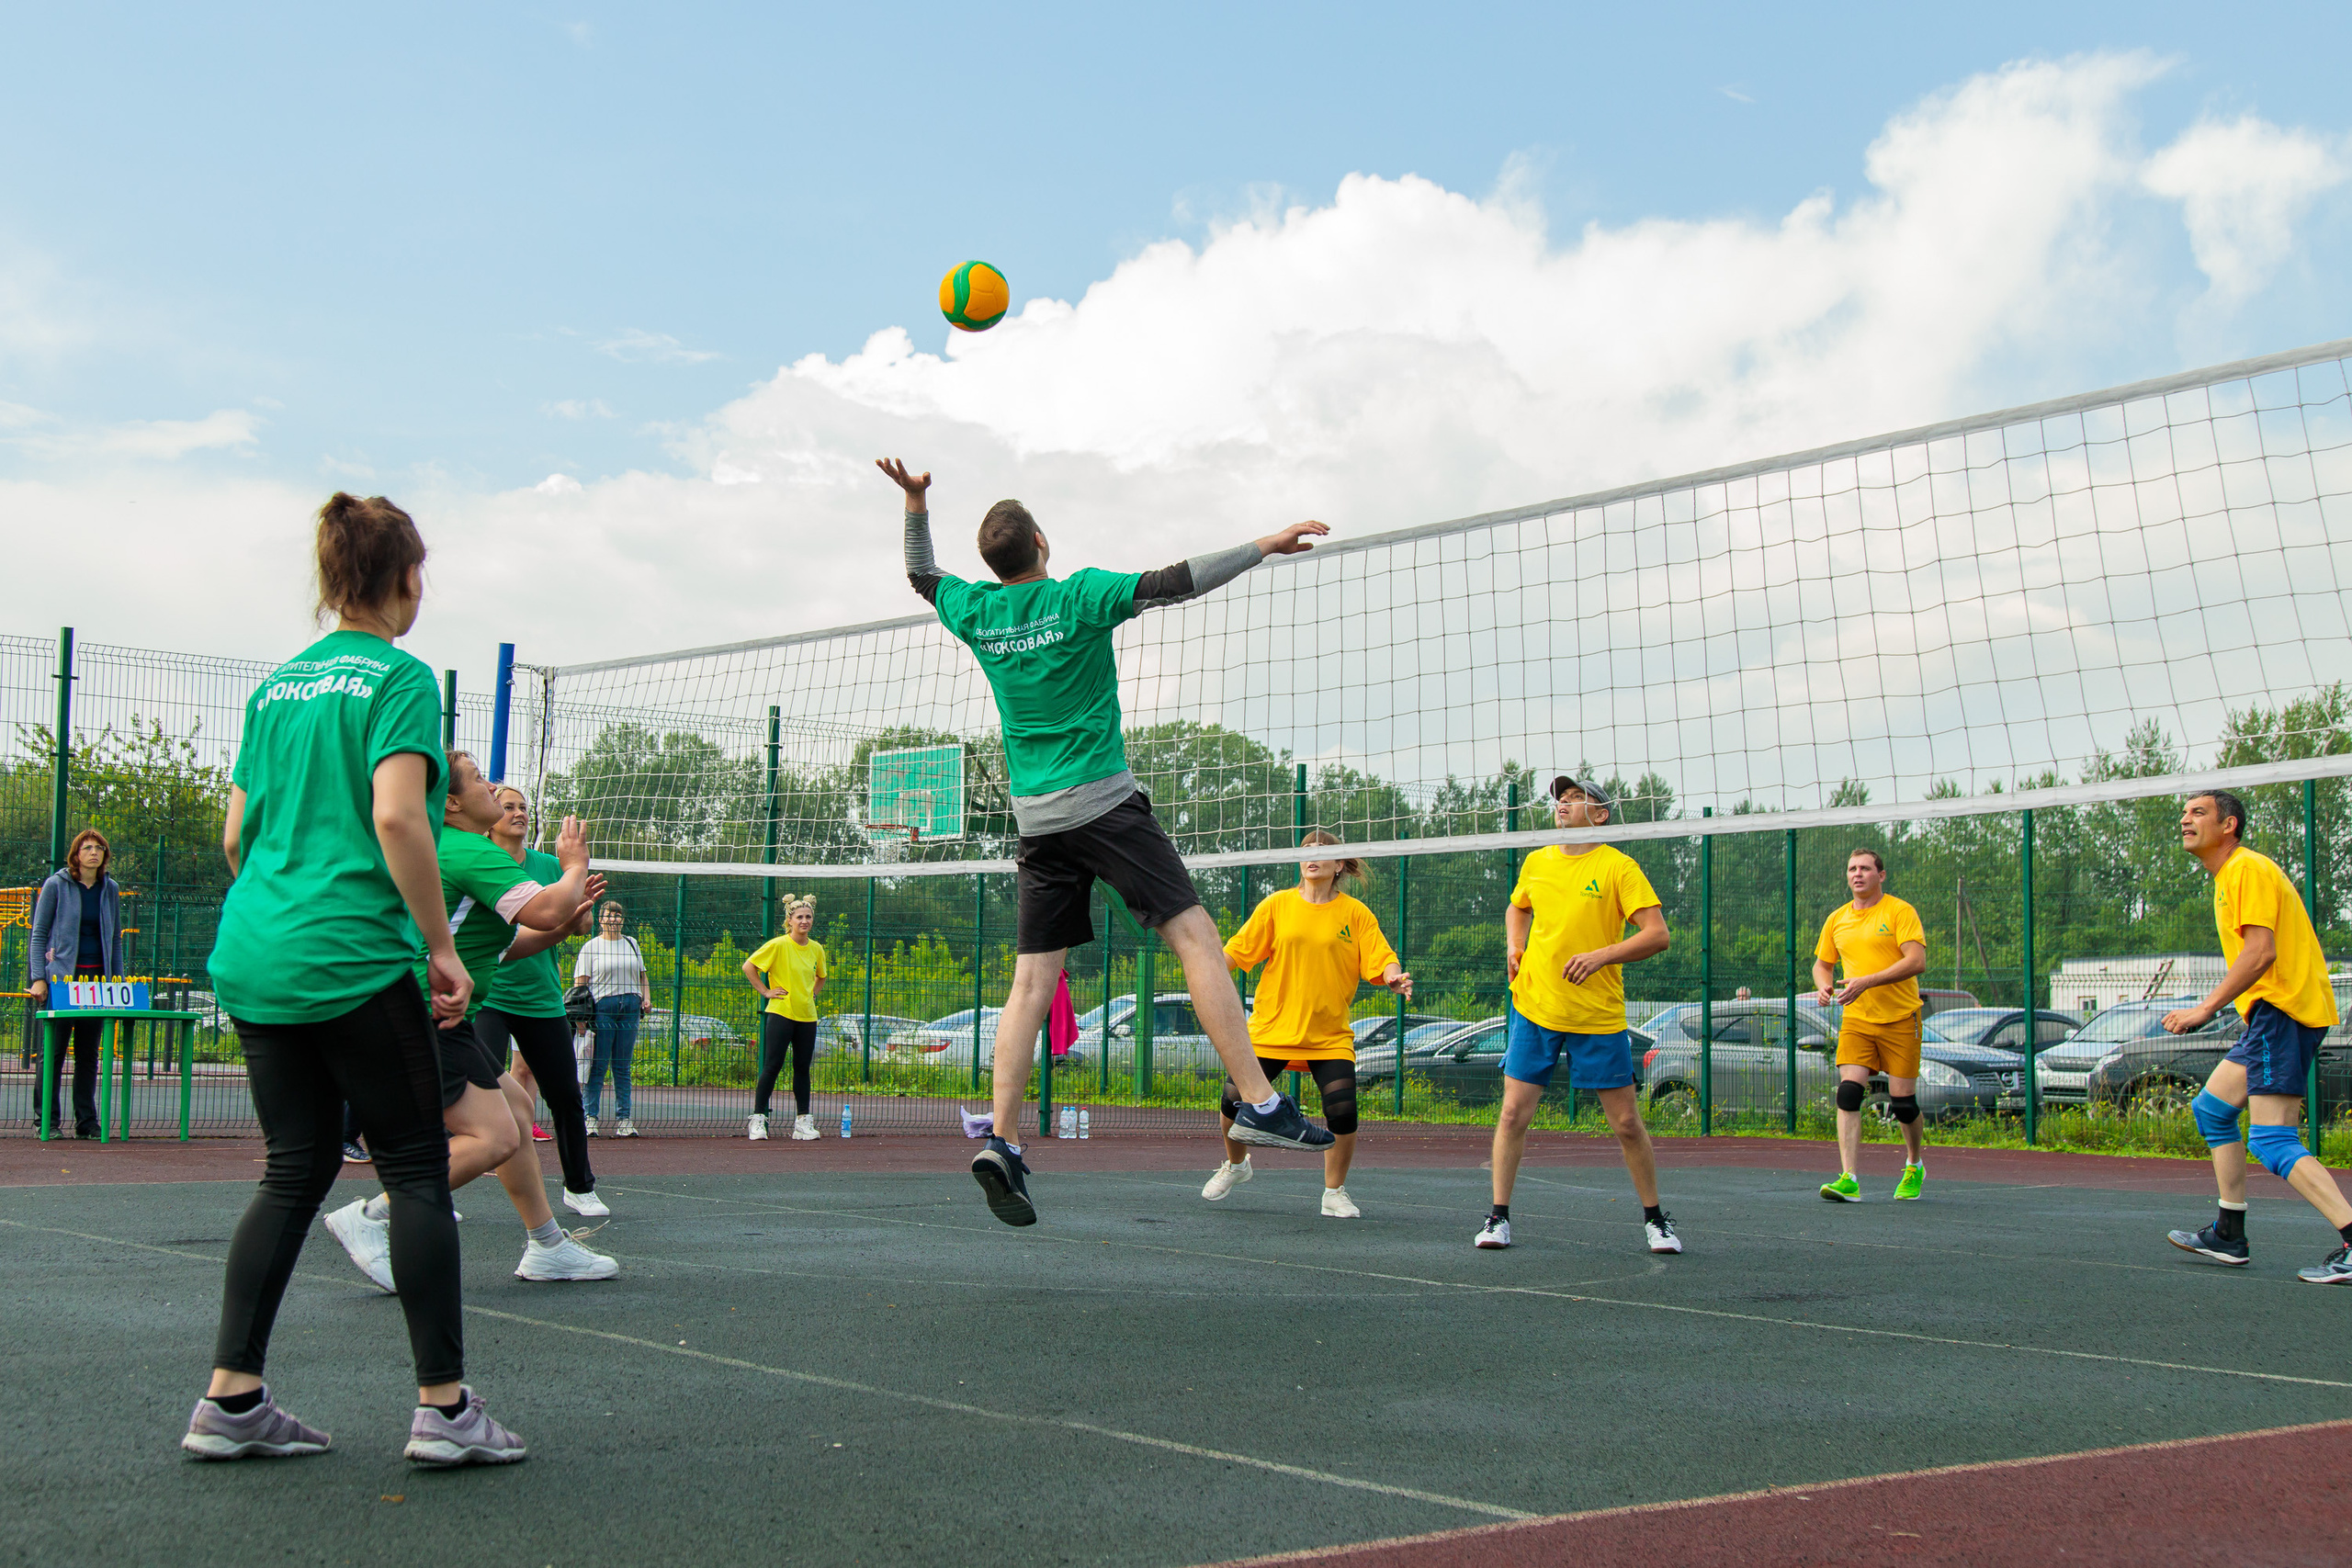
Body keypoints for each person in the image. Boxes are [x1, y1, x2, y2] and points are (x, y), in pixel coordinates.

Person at [877, 456, 1335, 1228]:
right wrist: (1264, 543)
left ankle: (1004, 1139)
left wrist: (916, 504)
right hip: (1103, 803)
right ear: (1043, 544)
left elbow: (923, 575)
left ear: (993, 561)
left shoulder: (977, 611)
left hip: (1037, 821)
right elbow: (1175, 580)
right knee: (1194, 935)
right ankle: (1258, 1099)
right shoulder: (1080, 593)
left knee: (1030, 985)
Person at [182, 491, 521, 1467]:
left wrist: (285, 906)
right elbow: (400, 819)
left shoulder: (275, 687)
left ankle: (231, 1399)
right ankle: (445, 1412)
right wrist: (440, 946)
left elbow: (235, 834)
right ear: (404, 579)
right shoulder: (401, 678)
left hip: (255, 952)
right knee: (417, 1167)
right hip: (348, 957)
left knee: (293, 1170)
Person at [321, 750, 617, 1290]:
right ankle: (370, 1218)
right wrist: (574, 865)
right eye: (481, 780)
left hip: (426, 1012)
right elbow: (546, 909)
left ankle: (547, 1244)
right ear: (452, 803)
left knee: (519, 1106)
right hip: (420, 1014)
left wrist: (564, 918)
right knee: (495, 1136)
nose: (493, 787)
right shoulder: (466, 851)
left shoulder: (449, 849)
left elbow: (505, 948)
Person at [1480, 776, 1678, 1254]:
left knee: (1627, 1123)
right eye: (1560, 799)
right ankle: (1497, 1218)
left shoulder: (1618, 866)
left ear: (1601, 813)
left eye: (1575, 799)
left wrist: (1602, 955)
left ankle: (1656, 1220)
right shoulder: (1538, 860)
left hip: (1596, 1014)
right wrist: (1515, 943)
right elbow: (1517, 907)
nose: (1562, 804)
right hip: (1536, 1005)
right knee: (1511, 1114)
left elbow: (1657, 934)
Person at [2161, 790, 2352, 1283]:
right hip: (2272, 1015)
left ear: (2229, 825)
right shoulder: (2230, 876)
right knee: (2212, 1109)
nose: (2186, 820)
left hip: (2283, 1011)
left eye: (2198, 813)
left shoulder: (2246, 869)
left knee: (2272, 1140)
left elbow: (2260, 952)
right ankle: (2228, 1233)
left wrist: (2205, 1009)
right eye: (2184, 813)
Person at [1206, 830, 1411, 1217]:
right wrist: (1205, 968)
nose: (1313, 856)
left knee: (1343, 1112)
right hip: (1271, 1031)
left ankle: (1334, 1192)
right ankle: (1236, 1165)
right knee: (1232, 1104)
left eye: (1323, 852)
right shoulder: (1277, 906)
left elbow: (1383, 957)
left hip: (1328, 1036)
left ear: (1339, 865)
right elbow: (1236, 951)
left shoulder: (1355, 914)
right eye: (1306, 851)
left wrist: (1394, 977)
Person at [473, 784, 605, 1215]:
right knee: (468, 1090)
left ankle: (579, 1187)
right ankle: (438, 1186)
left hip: (540, 997)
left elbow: (582, 924)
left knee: (565, 1095)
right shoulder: (477, 863)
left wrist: (582, 902)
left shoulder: (550, 866)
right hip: (488, 997)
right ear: (489, 816)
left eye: (523, 807)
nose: (517, 813)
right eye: (507, 806)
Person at [1813, 849, 1930, 1202]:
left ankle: (1914, 1164)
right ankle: (1848, 1178)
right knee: (1848, 1093)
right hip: (1858, 1020)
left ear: (1881, 875)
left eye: (1865, 868)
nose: (1857, 874)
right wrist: (1823, 984)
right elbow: (1822, 964)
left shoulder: (1899, 911)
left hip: (1900, 1018)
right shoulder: (1837, 919)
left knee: (1903, 1104)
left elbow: (1917, 960)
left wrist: (1867, 981)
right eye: (1852, 869)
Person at [28, 829, 124, 1139]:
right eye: (87, 848)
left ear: (105, 856)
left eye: (99, 848)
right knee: (53, 1053)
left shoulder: (110, 889)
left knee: (88, 1054)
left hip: (97, 984)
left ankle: (87, 1122)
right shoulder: (56, 885)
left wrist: (116, 980)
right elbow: (39, 933)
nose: (93, 852)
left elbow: (115, 940)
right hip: (61, 983)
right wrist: (39, 977)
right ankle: (47, 1122)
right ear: (76, 855)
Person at [743, 895, 827, 1141]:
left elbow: (821, 975)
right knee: (772, 1066)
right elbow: (749, 966)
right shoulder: (778, 945)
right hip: (781, 1013)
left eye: (808, 917)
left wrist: (812, 993)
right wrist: (766, 992)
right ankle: (758, 1120)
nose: (804, 921)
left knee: (802, 1068)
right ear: (789, 920)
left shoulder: (816, 948)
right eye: (799, 917)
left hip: (807, 1016)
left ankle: (803, 1122)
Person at [573, 901, 650, 1136]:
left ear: (622, 920)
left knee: (622, 1066)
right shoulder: (591, 947)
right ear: (600, 919)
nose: (613, 919)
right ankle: (590, 1118)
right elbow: (580, 984)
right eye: (609, 915)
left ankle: (624, 1120)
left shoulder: (631, 943)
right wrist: (581, 1016)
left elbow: (642, 976)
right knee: (598, 1064)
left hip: (630, 1006)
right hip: (602, 1007)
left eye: (618, 916)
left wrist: (646, 998)